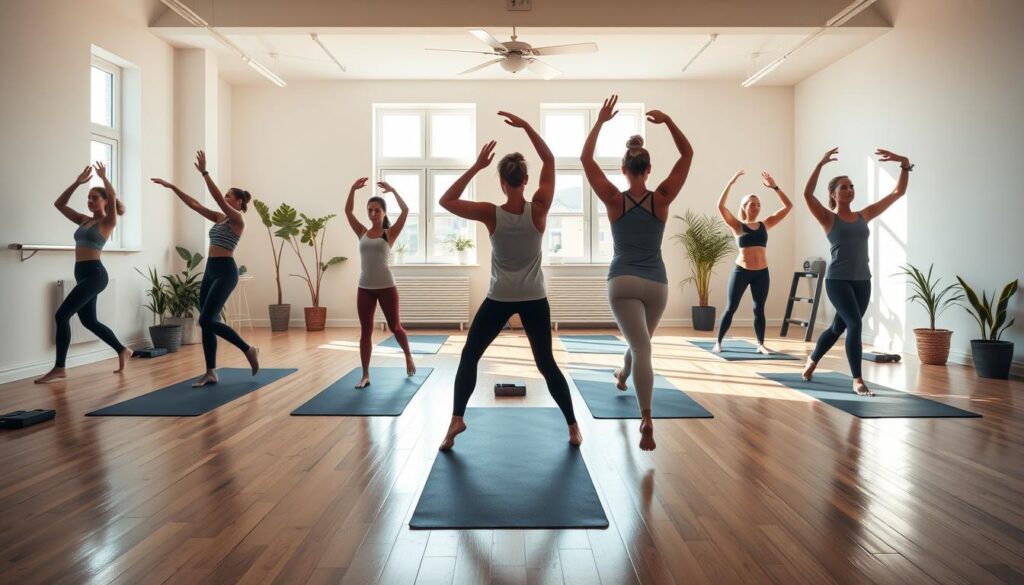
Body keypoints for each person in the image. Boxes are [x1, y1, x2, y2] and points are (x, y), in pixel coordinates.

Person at [437, 111, 581, 451]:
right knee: (546, 364)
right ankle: (573, 427)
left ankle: (457, 419)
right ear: (525, 180)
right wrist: (528, 126)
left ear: (502, 182)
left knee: (469, 356)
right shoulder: (540, 209)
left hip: (499, 297)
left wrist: (475, 167)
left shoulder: (491, 213)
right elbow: (549, 158)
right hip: (534, 297)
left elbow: (446, 200)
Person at [580, 95, 694, 451]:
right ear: (648, 170)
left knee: (639, 344)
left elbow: (585, 159)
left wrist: (600, 121)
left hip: (623, 281)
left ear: (624, 171)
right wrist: (670, 121)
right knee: (642, 344)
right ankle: (628, 384)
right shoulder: (661, 198)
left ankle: (644, 413)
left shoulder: (615, 200)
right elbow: (687, 155)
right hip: (657, 284)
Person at [801, 147, 913, 396]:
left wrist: (904, 164)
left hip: (863, 281)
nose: (850, 190)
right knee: (855, 324)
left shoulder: (865, 215)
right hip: (838, 281)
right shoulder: (828, 218)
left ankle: (812, 360)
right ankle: (858, 379)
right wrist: (820, 164)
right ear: (833, 194)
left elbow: (898, 192)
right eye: (844, 187)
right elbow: (807, 194)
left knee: (837, 328)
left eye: (851, 186)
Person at [151, 150, 259, 387]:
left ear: (239, 202)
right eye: (227, 195)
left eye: (230, 196)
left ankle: (248, 349)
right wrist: (172, 187)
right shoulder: (220, 218)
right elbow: (195, 204)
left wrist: (205, 173)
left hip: (226, 271)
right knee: (207, 319)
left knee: (207, 320)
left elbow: (217, 200)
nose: (226, 198)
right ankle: (211, 371)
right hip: (210, 269)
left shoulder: (238, 219)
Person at [35, 163, 133, 383]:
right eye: (88, 198)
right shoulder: (83, 220)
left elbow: (113, 193)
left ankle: (60, 367)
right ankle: (122, 349)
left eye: (95, 198)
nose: (89, 201)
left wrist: (104, 178)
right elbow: (59, 204)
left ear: (106, 201)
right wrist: (77, 183)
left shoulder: (108, 221)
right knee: (89, 321)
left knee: (61, 315)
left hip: (95, 274)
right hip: (82, 274)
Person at [344, 177, 415, 388]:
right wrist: (352, 189)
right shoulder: (361, 232)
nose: (373, 214)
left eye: (377, 210)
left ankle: (408, 356)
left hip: (386, 287)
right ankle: (365, 375)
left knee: (395, 327)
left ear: (384, 213)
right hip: (365, 287)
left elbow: (406, 210)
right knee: (366, 331)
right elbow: (348, 212)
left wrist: (392, 191)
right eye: (370, 210)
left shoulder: (389, 233)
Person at [712, 170, 793, 354]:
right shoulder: (737, 225)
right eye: (752, 205)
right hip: (741, 271)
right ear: (744, 207)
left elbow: (788, 206)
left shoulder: (766, 224)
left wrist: (775, 187)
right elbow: (720, 206)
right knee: (731, 307)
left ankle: (760, 344)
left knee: (759, 309)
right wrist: (731, 183)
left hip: (762, 273)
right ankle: (718, 342)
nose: (756, 208)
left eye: (758, 205)